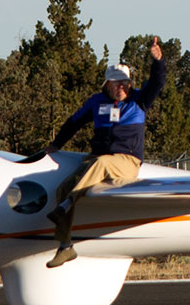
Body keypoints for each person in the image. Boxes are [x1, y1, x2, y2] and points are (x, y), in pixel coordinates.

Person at [43, 36, 165, 268]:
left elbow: (157, 83)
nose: (120, 87)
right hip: (98, 160)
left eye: (124, 83)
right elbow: (73, 122)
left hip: (127, 161)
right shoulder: (97, 102)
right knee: (62, 189)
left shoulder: (139, 101)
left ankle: (67, 205)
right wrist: (56, 144)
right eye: (115, 83)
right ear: (106, 85)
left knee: (100, 165)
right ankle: (65, 246)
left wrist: (158, 61)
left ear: (130, 84)